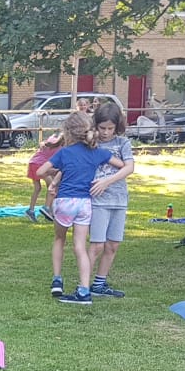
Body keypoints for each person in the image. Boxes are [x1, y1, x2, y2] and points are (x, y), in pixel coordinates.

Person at [36, 112, 114, 306]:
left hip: (64, 202)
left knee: (59, 238)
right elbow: (122, 165)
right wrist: (106, 179)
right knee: (80, 246)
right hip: (85, 204)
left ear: (69, 132)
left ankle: (57, 279)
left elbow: (39, 171)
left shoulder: (64, 153)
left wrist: (56, 172)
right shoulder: (97, 153)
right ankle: (84, 290)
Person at [88, 102, 136, 297]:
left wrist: (108, 181)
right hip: (99, 201)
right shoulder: (92, 143)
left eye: (110, 128)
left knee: (112, 244)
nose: (106, 132)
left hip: (119, 199)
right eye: (102, 128)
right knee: (97, 245)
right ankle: (83, 285)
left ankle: (99, 285)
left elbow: (129, 167)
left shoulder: (122, 143)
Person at [24, 131, 63, 221]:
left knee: (37, 188)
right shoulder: (61, 148)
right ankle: (47, 208)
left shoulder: (52, 140)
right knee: (52, 186)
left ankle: (31, 210)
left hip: (33, 163)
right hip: (40, 165)